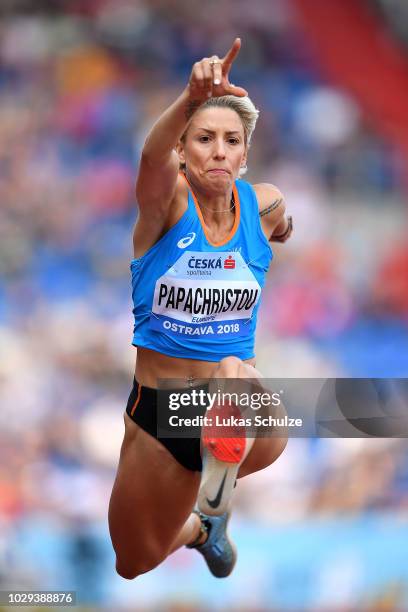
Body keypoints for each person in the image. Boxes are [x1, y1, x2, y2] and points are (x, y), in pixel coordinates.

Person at [108, 37, 292, 580]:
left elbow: (280, 219)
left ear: (243, 154)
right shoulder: (166, 208)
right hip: (160, 417)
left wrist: (283, 230)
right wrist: (190, 99)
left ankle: (221, 452)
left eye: (230, 141)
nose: (218, 150)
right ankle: (203, 527)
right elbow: (148, 156)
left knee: (235, 375)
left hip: (242, 404)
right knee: (133, 562)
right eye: (203, 138)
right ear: (184, 150)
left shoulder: (263, 204)